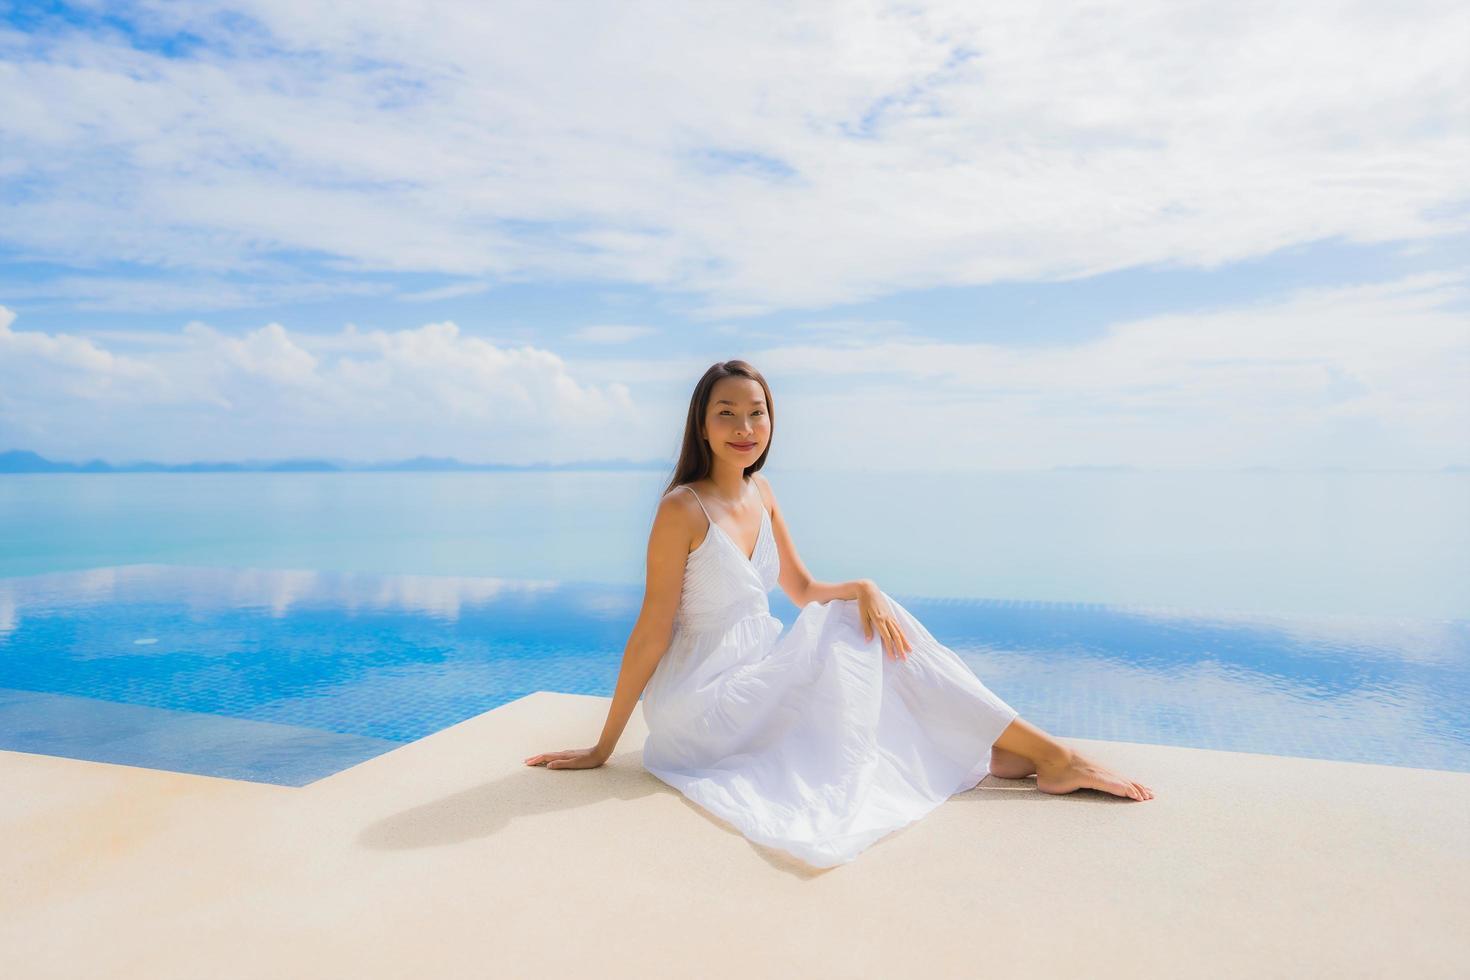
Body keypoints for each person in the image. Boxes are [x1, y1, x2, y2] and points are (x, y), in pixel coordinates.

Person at [526, 360, 1153, 867]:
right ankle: (1047, 755)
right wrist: (604, 746)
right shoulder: (682, 510)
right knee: (852, 628)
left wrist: (864, 585)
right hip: (700, 703)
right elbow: (651, 631)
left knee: (868, 616)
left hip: (754, 676)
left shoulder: (761, 491)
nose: (745, 426)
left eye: (757, 412)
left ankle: (1014, 746)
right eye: (727, 414)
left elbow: (801, 589)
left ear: (772, 420)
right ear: (702, 424)